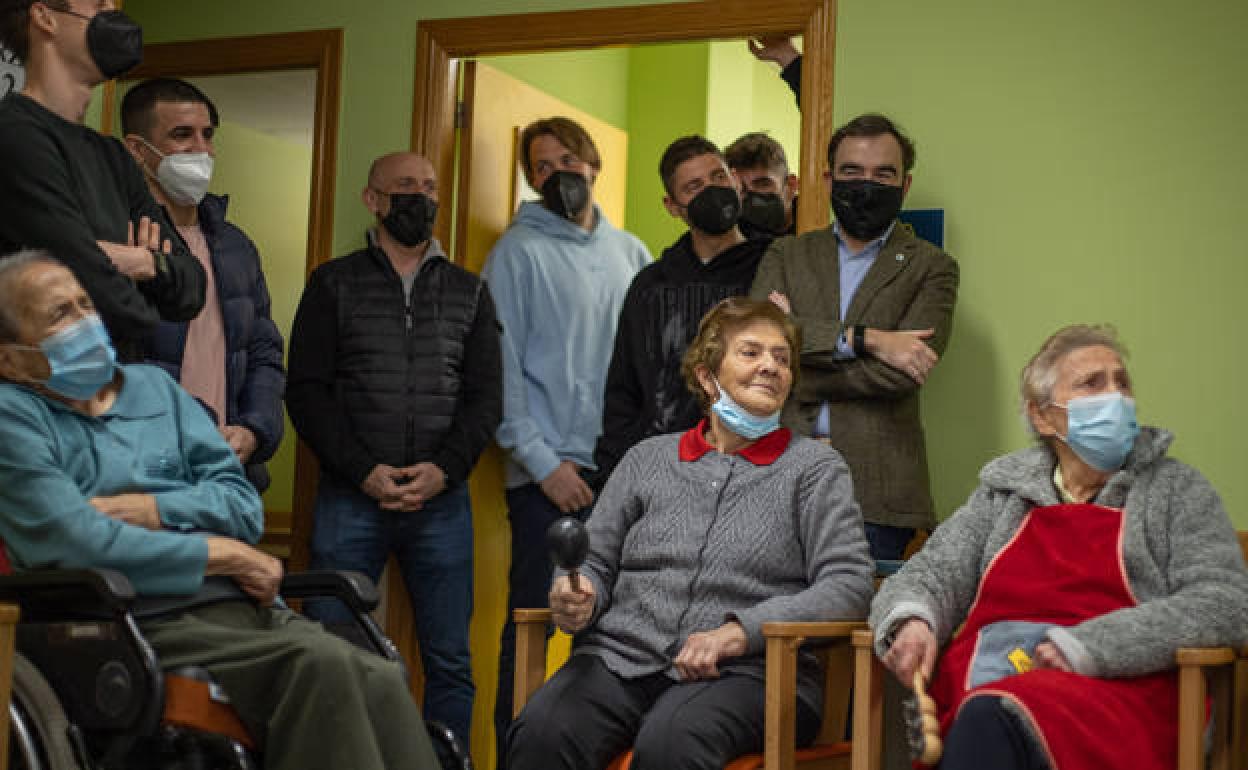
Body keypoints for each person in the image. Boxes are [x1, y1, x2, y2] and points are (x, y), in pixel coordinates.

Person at [0, 251, 440, 770]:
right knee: (321, 668)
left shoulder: (154, 389)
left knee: (383, 677)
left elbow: (241, 504)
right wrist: (221, 555)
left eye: (85, 304)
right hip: (129, 621)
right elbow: (78, 540)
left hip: (241, 608)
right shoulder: (13, 418)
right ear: (10, 359)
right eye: (60, 315)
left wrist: (153, 508)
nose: (85, 322)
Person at [508, 297, 874, 770]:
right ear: (707, 376)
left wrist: (739, 633)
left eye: (782, 358)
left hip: (751, 674)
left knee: (670, 743)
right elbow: (593, 560)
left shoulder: (814, 470)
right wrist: (576, 591)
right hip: (621, 662)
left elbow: (850, 584)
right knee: (542, 732)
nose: (770, 367)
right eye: (751, 353)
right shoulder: (647, 458)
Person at [871, 324, 1248, 770]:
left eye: (1121, 382)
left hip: (1121, 692)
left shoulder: (1176, 490)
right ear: (1042, 416)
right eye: (1092, 383)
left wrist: (1088, 646)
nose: (1117, 396)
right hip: (993, 676)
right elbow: (930, 573)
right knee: (982, 710)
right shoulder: (1002, 494)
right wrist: (913, 619)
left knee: (992, 715)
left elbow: (1225, 603)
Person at [285, 151, 501, 747]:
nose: (421, 197)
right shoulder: (333, 283)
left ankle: (443, 763)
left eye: (429, 187)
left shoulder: (470, 292)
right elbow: (305, 393)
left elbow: (486, 400)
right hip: (352, 500)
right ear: (372, 199)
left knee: (451, 660)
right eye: (404, 186)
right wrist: (361, 471)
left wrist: (445, 470)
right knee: (332, 650)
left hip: (442, 503)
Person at [482, 115, 650, 766]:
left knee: (608, 641)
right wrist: (544, 465)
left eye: (568, 160)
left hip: (619, 481)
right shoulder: (515, 254)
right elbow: (501, 373)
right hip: (545, 484)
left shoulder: (632, 254)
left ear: (594, 164)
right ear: (530, 178)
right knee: (531, 628)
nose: (559, 175)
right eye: (542, 167)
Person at [750, 113, 959, 561]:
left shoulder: (932, 267)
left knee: (849, 625)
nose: (866, 184)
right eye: (852, 172)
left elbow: (902, 377)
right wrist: (870, 340)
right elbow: (758, 350)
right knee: (766, 621)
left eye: (883, 173)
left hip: (878, 495)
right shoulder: (786, 253)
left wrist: (798, 365)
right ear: (828, 180)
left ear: (904, 186)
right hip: (776, 475)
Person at [0, 0, 204, 358]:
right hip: (38, 397)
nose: (114, 12)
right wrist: (139, 289)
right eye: (99, 4)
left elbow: (192, 288)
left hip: (113, 393)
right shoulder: (15, 133)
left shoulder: (112, 156)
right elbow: (97, 292)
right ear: (45, 16)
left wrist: (141, 262)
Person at [121, 77, 285, 493]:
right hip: (140, 475)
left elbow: (264, 351)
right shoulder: (120, 242)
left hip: (228, 475)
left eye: (207, 135)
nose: (202, 149)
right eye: (182, 135)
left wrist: (254, 430)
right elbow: (109, 360)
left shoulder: (236, 246)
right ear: (137, 150)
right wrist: (196, 427)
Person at [588, 135, 768, 495]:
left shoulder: (772, 267)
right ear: (672, 206)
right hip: (662, 474)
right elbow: (623, 388)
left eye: (718, 178)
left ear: (735, 180)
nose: (711, 191)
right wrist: (616, 473)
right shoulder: (650, 284)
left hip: (749, 476)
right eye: (694, 186)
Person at [725, 131, 800, 239]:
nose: (752, 197)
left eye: (763, 184)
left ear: (791, 185)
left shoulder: (816, 223)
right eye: (742, 189)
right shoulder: (735, 231)